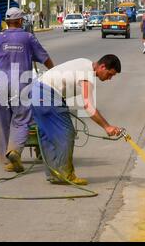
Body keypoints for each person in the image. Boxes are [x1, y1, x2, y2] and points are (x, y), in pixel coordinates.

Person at [31, 55, 123, 185]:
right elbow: (89, 107)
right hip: (47, 95)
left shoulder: (85, 62)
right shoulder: (87, 77)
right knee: (67, 133)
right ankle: (65, 173)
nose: (109, 78)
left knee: (47, 135)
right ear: (102, 67)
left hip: (36, 91)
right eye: (109, 74)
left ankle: (54, 174)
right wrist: (107, 127)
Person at [0, 7, 54, 172]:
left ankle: (5, 157)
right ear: (20, 21)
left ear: (7, 22)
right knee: (22, 120)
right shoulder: (28, 38)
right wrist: (54, 75)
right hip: (22, 85)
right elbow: (45, 59)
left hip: (2, 84)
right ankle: (14, 152)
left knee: (3, 121)